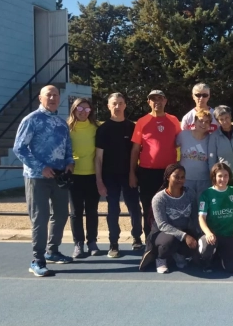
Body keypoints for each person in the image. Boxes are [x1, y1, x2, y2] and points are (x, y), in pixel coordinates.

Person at [13, 85, 75, 277]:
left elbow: (67, 147)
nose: (53, 98)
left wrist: (69, 162)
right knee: (40, 218)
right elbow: (19, 148)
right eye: (49, 95)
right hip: (37, 177)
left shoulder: (61, 122)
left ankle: (52, 251)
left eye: (56, 95)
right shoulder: (31, 120)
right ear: (40, 98)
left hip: (59, 177)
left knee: (62, 214)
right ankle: (37, 260)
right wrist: (41, 167)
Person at [139, 164, 212, 274]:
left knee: (199, 251)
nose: (180, 180)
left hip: (184, 232)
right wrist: (185, 236)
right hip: (163, 233)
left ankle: (178, 254)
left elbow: (195, 217)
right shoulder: (159, 198)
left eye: (182, 177)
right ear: (168, 177)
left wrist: (199, 235)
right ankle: (161, 258)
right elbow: (162, 224)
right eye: (176, 176)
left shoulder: (190, 193)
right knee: (170, 241)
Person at [96, 93, 144, 258]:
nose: (117, 106)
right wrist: (99, 180)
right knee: (113, 210)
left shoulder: (132, 127)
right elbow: (99, 157)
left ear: (125, 105)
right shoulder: (103, 129)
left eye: (120, 103)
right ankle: (113, 243)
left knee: (135, 208)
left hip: (129, 175)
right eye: (114, 103)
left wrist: (132, 173)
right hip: (110, 177)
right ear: (108, 106)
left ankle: (137, 238)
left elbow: (135, 152)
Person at [130, 90, 182, 243]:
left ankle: (169, 244)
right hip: (147, 173)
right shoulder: (142, 121)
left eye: (160, 98)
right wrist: (132, 173)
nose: (157, 102)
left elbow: (180, 144)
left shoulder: (173, 120)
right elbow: (135, 150)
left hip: (169, 173)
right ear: (149, 102)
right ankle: (150, 242)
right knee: (148, 209)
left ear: (166, 101)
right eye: (153, 99)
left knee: (170, 208)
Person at [208, 105, 233, 252]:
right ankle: (223, 237)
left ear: (231, 117)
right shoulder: (214, 137)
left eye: (226, 118)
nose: (224, 121)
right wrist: (213, 178)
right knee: (225, 210)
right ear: (217, 120)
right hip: (225, 180)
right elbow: (212, 160)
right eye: (221, 119)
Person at [198, 163, 233, 273]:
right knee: (207, 246)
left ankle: (220, 254)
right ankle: (206, 260)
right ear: (214, 177)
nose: (223, 179)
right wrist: (208, 233)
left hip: (228, 235)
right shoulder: (207, 194)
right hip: (212, 236)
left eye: (226, 176)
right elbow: (201, 217)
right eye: (220, 176)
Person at [67, 97, 100, 259]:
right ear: (74, 109)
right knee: (75, 212)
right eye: (80, 109)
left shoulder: (96, 128)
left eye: (86, 109)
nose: (83, 112)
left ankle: (92, 242)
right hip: (74, 176)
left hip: (93, 175)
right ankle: (78, 243)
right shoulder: (67, 128)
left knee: (92, 211)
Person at [176, 109, 212, 195]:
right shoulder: (183, 135)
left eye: (207, 122)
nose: (203, 124)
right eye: (200, 121)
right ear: (194, 122)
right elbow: (174, 148)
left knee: (202, 206)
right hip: (185, 179)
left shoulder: (211, 138)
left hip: (205, 180)